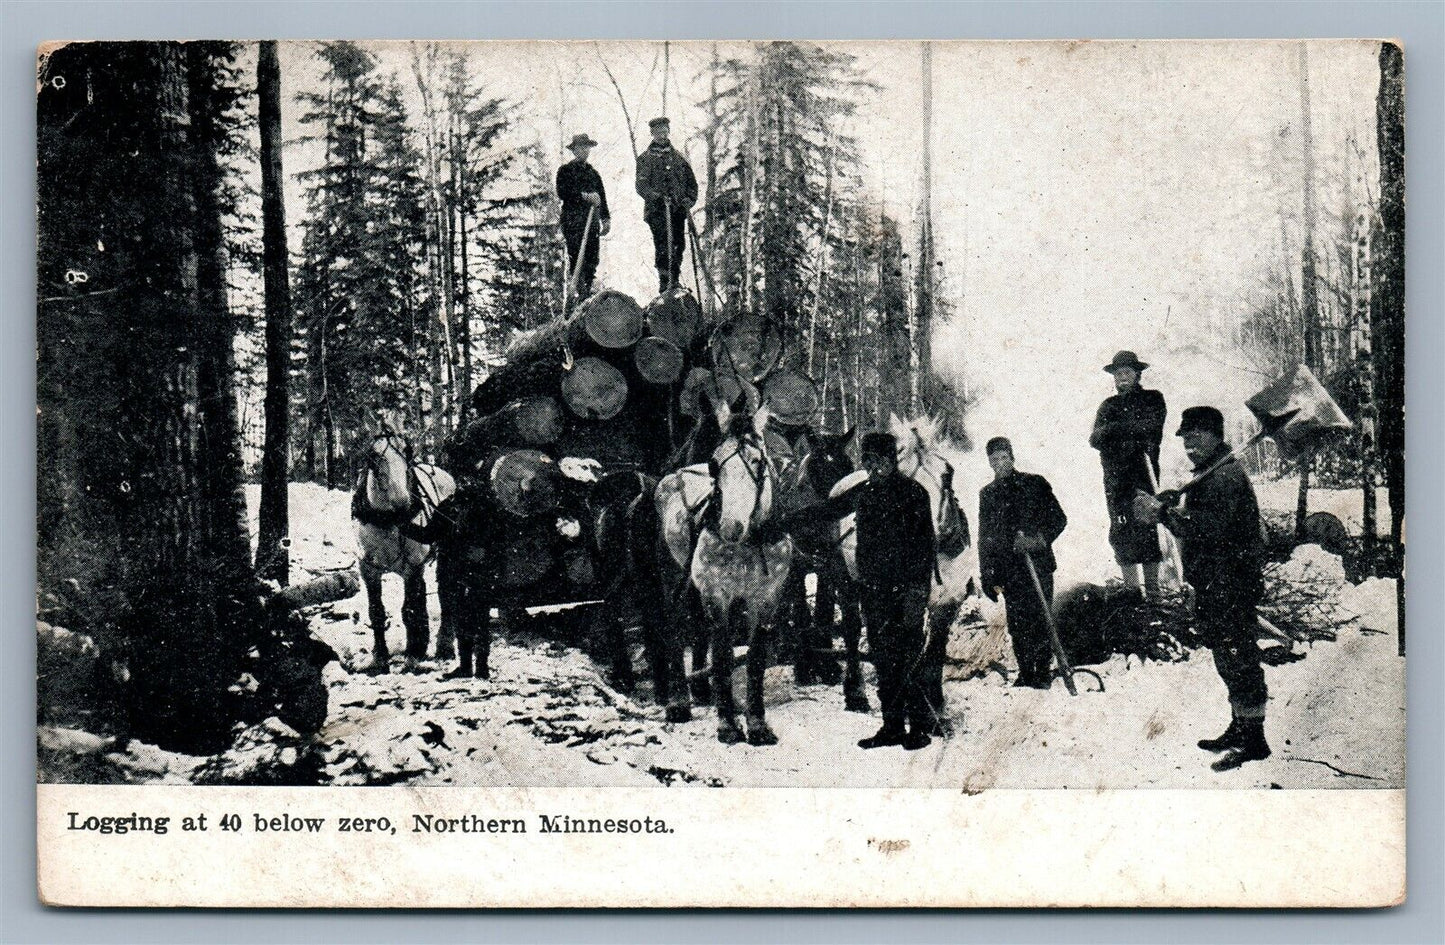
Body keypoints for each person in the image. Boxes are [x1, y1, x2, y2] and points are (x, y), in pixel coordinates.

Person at [759, 432, 938, 750]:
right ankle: (892, 726)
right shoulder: (863, 492)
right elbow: (824, 511)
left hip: (906, 591)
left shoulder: (913, 493)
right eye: (868, 461)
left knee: (909, 658)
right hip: (874, 589)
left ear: (891, 461)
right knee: (883, 659)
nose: (873, 467)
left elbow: (926, 547)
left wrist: (917, 594)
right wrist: (778, 525)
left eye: (879, 461)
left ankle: (919, 727)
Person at [1136, 406, 1269, 771]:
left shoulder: (1225, 477)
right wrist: (1171, 501)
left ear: (1215, 435)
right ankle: (1241, 725)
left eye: (1197, 437)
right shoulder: (1210, 474)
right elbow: (1197, 518)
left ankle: (1255, 740)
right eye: (1185, 439)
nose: (1190, 445)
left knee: (1239, 658)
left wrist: (1165, 514)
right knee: (1228, 658)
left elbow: (1207, 530)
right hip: (1215, 583)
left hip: (1232, 583)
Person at [978, 437, 1068, 689]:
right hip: (1010, 572)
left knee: (1041, 619)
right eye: (993, 460)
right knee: (1018, 625)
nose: (999, 464)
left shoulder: (1035, 484)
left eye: (1003, 458)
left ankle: (1042, 673)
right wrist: (988, 576)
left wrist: (1037, 541)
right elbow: (984, 539)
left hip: (1038, 566)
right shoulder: (988, 495)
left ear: (1012, 457)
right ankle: (1026, 673)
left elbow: (1059, 519)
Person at [1090, 350, 1167, 598]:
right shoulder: (1108, 405)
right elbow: (1095, 438)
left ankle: (1153, 591)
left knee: (1146, 528)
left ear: (1137, 374)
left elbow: (1152, 426)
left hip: (1142, 475)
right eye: (1117, 373)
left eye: (1127, 372)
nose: (1121, 377)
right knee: (1121, 531)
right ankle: (1132, 591)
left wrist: (1117, 431)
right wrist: (1124, 430)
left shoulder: (1152, 399)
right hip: (1115, 480)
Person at [635, 116, 697, 293]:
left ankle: (675, 280)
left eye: (664, 132)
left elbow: (692, 185)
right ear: (652, 134)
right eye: (658, 133)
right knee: (663, 245)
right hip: (657, 212)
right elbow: (641, 186)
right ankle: (665, 283)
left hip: (677, 210)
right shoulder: (645, 159)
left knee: (679, 244)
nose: (662, 136)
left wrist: (689, 200)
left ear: (669, 132)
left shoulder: (679, 158)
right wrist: (658, 197)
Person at [555, 133, 610, 299]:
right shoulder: (565, 171)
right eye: (580, 148)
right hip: (573, 221)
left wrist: (605, 219)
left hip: (591, 221)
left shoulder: (593, 174)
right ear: (574, 150)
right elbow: (562, 192)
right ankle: (579, 291)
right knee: (577, 255)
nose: (584, 151)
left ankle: (588, 288)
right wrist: (584, 196)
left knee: (592, 256)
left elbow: (602, 197)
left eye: (586, 147)